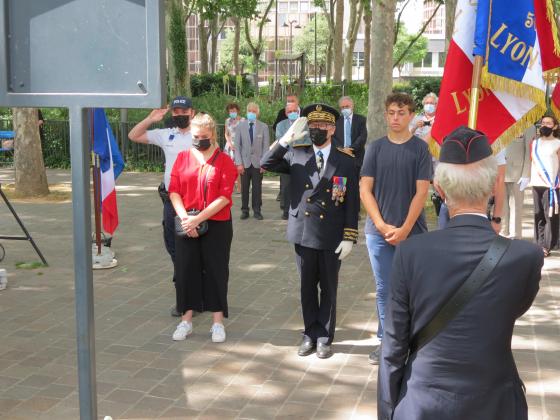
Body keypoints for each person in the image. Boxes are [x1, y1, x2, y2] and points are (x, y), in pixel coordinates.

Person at [377, 126, 543, 420]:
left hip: (423, 402)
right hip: (496, 403)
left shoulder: (410, 253)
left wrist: (388, 412)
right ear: (494, 186)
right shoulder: (526, 257)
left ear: (439, 189)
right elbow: (512, 309)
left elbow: (393, 346)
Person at [261, 104, 359, 359]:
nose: (317, 130)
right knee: (306, 287)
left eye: (323, 126)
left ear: (332, 129)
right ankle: (309, 334)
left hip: (331, 234)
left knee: (328, 287)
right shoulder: (297, 154)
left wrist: (349, 236)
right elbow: (266, 162)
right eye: (313, 126)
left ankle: (325, 336)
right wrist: (284, 140)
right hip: (303, 231)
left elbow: (352, 202)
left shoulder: (346, 160)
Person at [359, 93, 432, 365]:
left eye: (401, 113)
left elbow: (421, 193)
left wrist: (404, 229)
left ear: (411, 115)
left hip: (412, 233)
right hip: (377, 233)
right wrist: (381, 225)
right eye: (391, 113)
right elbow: (365, 189)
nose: (395, 118)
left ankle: (411, 341)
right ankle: (387, 342)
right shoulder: (375, 148)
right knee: (384, 289)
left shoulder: (420, 149)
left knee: (412, 288)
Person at [168, 113, 238, 343]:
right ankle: (186, 319)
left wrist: (198, 220)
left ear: (213, 135)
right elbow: (174, 191)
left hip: (216, 224)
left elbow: (224, 197)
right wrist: (185, 219)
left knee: (216, 271)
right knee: (186, 270)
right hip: (185, 222)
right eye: (196, 136)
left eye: (204, 136)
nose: (200, 140)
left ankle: (217, 322)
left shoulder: (224, 161)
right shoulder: (182, 158)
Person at [128, 96, 194, 317]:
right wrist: (151, 118)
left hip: (194, 201)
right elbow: (133, 135)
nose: (179, 115)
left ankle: (194, 297)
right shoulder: (166, 134)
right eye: (175, 112)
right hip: (170, 201)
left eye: (183, 111)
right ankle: (184, 293)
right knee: (174, 247)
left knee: (194, 247)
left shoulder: (200, 134)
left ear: (191, 112)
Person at [530, 115, 560, 257]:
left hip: (551, 184)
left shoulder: (558, 143)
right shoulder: (535, 143)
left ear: (555, 126)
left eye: (549, 123)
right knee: (538, 214)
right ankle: (538, 244)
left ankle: (547, 245)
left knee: (550, 216)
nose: (545, 125)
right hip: (537, 182)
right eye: (543, 123)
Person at [234, 102, 270, 220]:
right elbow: (237, 146)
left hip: (258, 163)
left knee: (257, 188)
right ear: (246, 112)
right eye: (250, 111)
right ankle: (244, 210)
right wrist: (238, 163)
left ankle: (257, 210)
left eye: (254, 111)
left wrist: (264, 163)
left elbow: (266, 147)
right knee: (244, 188)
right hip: (244, 163)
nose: (251, 113)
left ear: (257, 113)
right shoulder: (240, 126)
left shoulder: (263, 127)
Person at [275, 101, 310, 220]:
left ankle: (301, 209)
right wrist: (293, 141)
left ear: (299, 111)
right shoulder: (280, 125)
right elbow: (281, 141)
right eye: (289, 111)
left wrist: (291, 141)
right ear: (285, 113)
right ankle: (286, 211)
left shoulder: (305, 124)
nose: (292, 113)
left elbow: (307, 140)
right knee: (285, 186)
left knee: (301, 185)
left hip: (302, 159)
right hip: (286, 159)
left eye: (295, 111)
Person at [502, 126, 535, 239]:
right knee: (502, 205)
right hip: (501, 170)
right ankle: (503, 232)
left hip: (517, 172)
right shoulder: (503, 122)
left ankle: (515, 236)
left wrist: (526, 174)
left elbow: (528, 151)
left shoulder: (528, 126)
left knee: (516, 206)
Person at [333, 96, 367, 170]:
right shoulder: (336, 121)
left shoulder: (361, 120)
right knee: (340, 181)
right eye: (343, 107)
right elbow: (333, 137)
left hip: (357, 157)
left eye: (347, 106)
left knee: (356, 180)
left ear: (352, 106)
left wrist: (350, 149)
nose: (345, 109)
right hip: (339, 157)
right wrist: (342, 149)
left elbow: (362, 137)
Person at [224, 103, 242, 193]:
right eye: (231, 111)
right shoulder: (227, 121)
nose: (232, 112)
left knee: (238, 166)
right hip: (229, 146)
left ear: (237, 111)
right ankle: (230, 186)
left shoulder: (242, 120)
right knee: (229, 167)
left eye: (234, 111)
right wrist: (229, 143)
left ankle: (240, 187)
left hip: (240, 146)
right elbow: (226, 134)